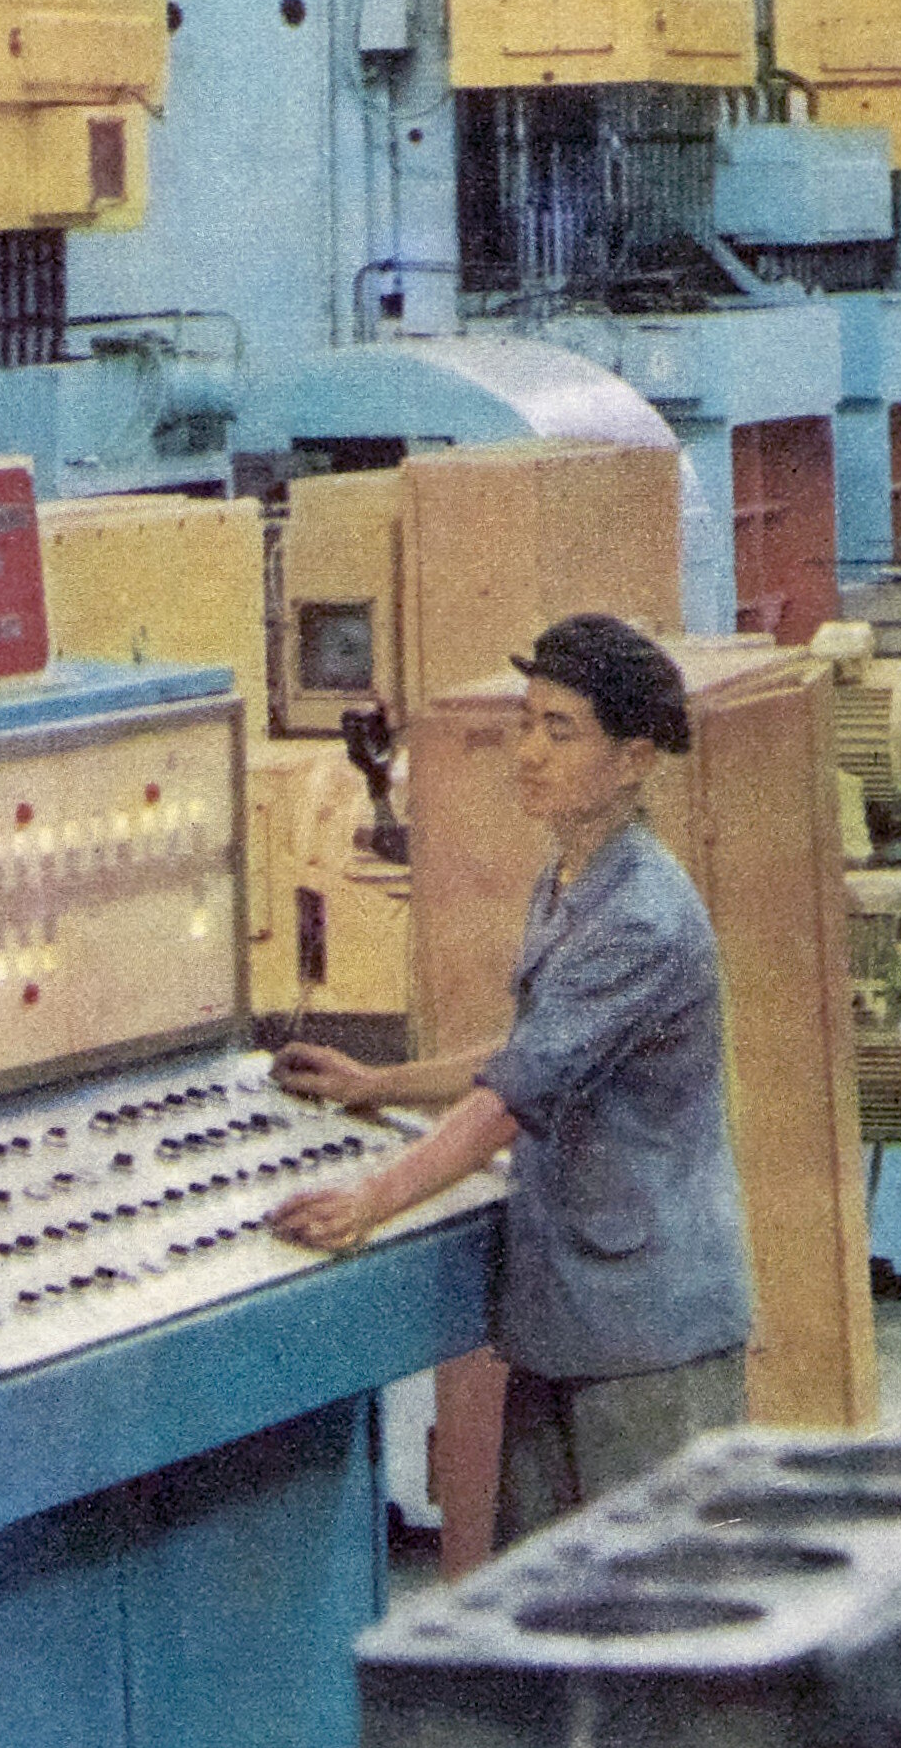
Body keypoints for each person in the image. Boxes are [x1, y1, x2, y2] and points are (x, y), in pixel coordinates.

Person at [267, 608, 754, 1542]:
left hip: (648, 1335)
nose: (527, 752)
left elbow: (513, 1095)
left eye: (559, 731)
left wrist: (373, 1199)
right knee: (541, 1594)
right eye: (526, 723)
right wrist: (378, 1086)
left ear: (634, 758)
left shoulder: (642, 917)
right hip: (573, 1310)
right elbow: (531, 1049)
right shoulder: (573, 875)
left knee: (650, 1603)